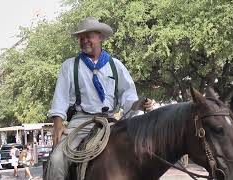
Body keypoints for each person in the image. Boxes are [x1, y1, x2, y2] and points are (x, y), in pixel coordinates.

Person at [44, 17, 154, 179]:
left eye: (89, 36)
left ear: (100, 37)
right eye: (81, 37)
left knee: (142, 153)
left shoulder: (116, 66)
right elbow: (60, 98)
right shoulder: (69, 66)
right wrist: (58, 124)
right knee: (57, 159)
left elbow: (128, 97)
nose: (84, 40)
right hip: (81, 122)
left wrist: (139, 105)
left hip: (110, 121)